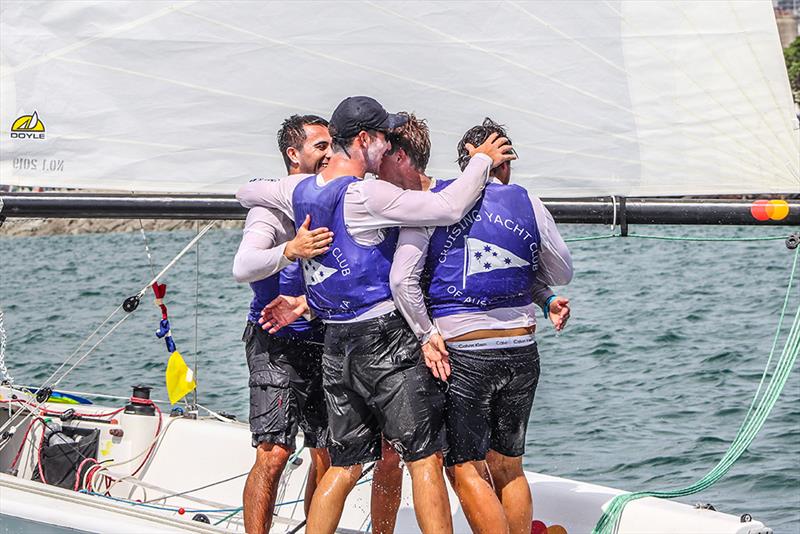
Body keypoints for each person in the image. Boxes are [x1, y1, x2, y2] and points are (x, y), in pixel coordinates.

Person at [237, 96, 515, 534]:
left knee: (344, 466)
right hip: (384, 339)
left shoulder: (299, 189)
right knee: (424, 458)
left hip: (335, 343)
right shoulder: (367, 194)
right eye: (383, 137)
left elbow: (246, 190)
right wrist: (479, 163)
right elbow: (448, 209)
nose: (387, 146)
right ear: (364, 139)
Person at [389, 118, 573, 534]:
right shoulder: (529, 201)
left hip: (467, 354)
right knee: (509, 466)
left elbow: (402, 280)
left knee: (466, 466)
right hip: (522, 351)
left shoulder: (435, 200)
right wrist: (539, 290)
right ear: (503, 163)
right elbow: (561, 270)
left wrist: (425, 333)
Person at [231, 114, 334, 534]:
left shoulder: (333, 200)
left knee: (327, 453)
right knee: (273, 452)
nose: (330, 154)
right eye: (320, 146)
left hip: (324, 338)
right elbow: (243, 266)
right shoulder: (269, 211)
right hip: (275, 343)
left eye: (333, 145)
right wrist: (289, 250)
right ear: (294, 155)